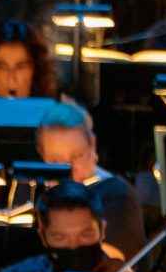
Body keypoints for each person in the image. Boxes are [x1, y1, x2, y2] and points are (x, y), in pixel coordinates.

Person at [34, 101, 147, 259]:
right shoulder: (35, 190)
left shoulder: (118, 197)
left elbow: (106, 266)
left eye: (77, 156)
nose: (70, 169)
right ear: (42, 156)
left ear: (92, 146)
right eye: (55, 161)